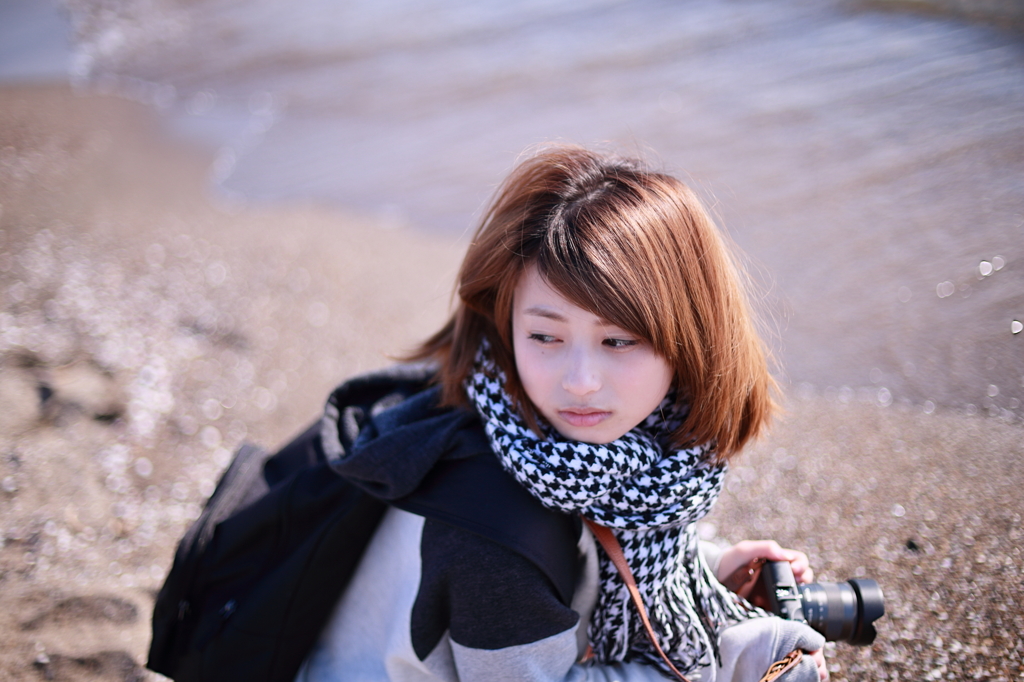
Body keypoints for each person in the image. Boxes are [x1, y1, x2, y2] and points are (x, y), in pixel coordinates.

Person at [294, 145, 828, 681]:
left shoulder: (606, 451)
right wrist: (750, 663)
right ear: (505, 324)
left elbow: (592, 561)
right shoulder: (493, 535)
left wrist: (707, 569)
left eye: (618, 341)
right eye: (545, 335)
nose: (580, 382)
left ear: (693, 336)